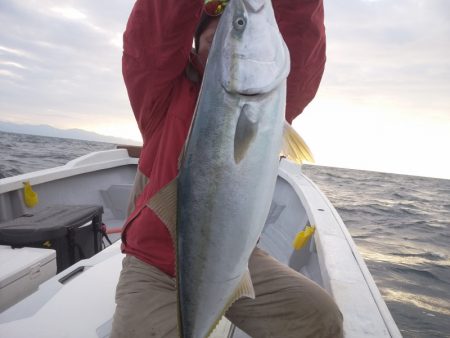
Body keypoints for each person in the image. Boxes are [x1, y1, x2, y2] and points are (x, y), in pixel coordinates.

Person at [111, 0, 343, 337]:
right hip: (154, 266)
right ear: (197, 42)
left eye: (231, 26)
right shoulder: (160, 95)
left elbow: (301, 39)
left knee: (320, 318)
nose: (226, 34)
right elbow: (152, 35)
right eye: (220, 30)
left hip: (236, 259)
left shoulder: (274, 100)